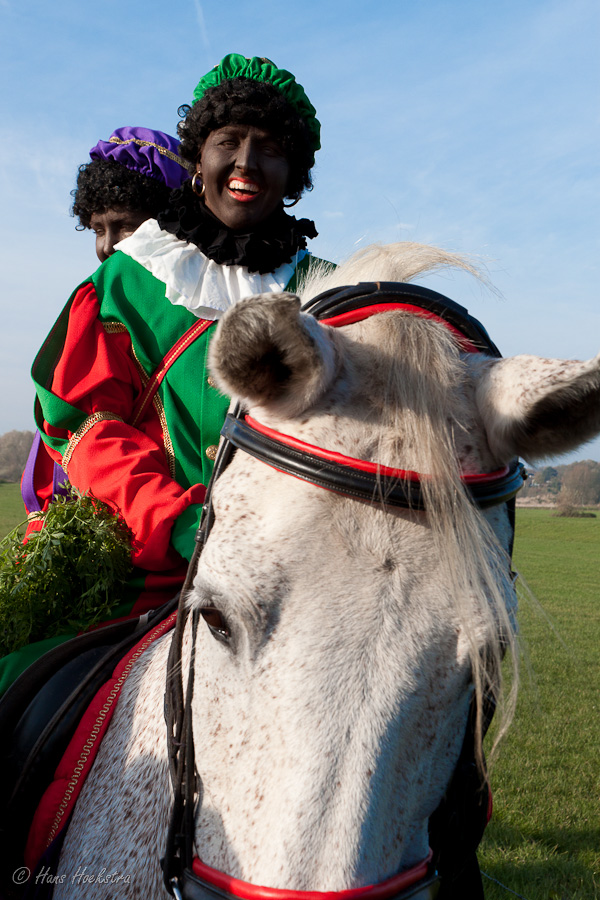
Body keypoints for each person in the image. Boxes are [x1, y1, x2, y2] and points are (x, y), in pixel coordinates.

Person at [15, 54, 322, 673]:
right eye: (227, 142)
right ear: (197, 159)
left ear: (293, 173)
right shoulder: (129, 279)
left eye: (269, 147)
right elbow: (84, 427)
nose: (245, 162)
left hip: (298, 583)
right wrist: (185, 525)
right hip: (144, 577)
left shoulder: (329, 293)